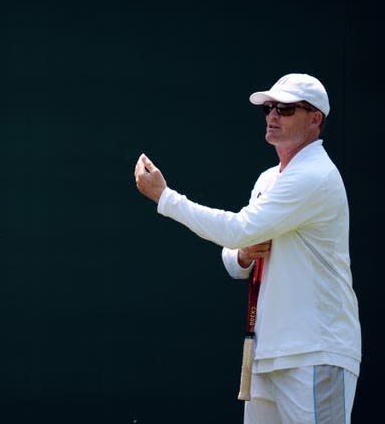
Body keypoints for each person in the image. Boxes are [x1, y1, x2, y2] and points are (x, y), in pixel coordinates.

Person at [134, 73, 361, 423]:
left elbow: (239, 227)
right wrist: (241, 255)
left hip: (315, 352)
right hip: (266, 355)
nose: (272, 116)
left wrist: (166, 198)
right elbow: (236, 253)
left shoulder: (315, 174)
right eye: (269, 108)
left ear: (315, 119)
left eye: (285, 109)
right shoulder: (269, 179)